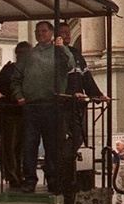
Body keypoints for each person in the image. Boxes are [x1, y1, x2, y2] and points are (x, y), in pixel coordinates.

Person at [10, 20, 76, 194]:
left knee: (52, 146)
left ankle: (53, 179)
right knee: (29, 145)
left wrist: (62, 48)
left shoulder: (58, 51)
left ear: (51, 33)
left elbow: (70, 64)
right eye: (38, 31)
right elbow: (16, 78)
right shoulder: (29, 55)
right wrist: (19, 96)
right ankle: (29, 179)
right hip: (32, 107)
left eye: (44, 31)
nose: (40, 34)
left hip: (52, 105)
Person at [57, 22, 106, 155]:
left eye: (68, 31)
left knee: (80, 136)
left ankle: (64, 164)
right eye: (63, 32)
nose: (68, 35)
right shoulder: (54, 53)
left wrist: (97, 95)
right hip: (63, 104)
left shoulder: (75, 52)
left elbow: (86, 76)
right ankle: (60, 166)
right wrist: (71, 94)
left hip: (78, 104)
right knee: (60, 137)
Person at [0, 41, 31, 189]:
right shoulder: (10, 69)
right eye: (20, 53)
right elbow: (1, 90)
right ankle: (13, 174)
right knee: (12, 145)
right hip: (11, 112)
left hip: (22, 112)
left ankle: (17, 174)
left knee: (18, 145)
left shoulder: (11, 69)